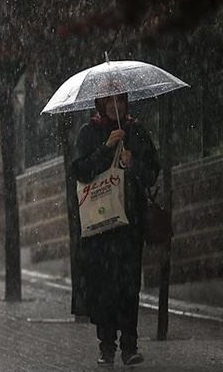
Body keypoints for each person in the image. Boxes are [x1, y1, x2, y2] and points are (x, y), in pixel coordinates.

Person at [72, 93, 160, 367]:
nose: (115, 106)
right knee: (104, 286)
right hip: (100, 227)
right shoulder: (89, 132)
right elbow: (80, 170)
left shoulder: (135, 131)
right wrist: (105, 149)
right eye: (109, 102)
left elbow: (151, 173)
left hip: (129, 224)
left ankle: (130, 345)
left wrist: (133, 163)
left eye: (119, 100)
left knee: (129, 284)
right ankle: (106, 344)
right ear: (100, 105)